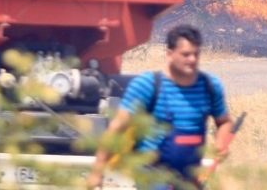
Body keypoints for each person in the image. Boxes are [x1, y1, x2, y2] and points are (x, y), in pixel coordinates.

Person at [87, 25, 232, 189]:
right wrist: (96, 173)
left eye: (195, 54)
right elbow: (116, 129)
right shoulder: (147, 85)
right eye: (185, 54)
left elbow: (224, 122)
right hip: (152, 176)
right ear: (169, 54)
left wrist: (221, 144)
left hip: (189, 178)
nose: (192, 59)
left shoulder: (209, 86)